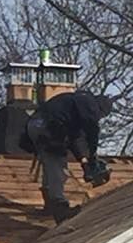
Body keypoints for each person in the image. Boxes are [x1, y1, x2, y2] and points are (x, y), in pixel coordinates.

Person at [25, 90, 113, 223]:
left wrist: (85, 161)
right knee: (57, 165)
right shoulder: (88, 104)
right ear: (100, 109)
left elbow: (76, 138)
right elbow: (91, 130)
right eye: (101, 115)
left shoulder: (74, 106)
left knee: (50, 163)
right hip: (47, 127)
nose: (99, 118)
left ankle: (50, 205)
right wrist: (93, 156)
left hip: (37, 126)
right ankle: (60, 208)